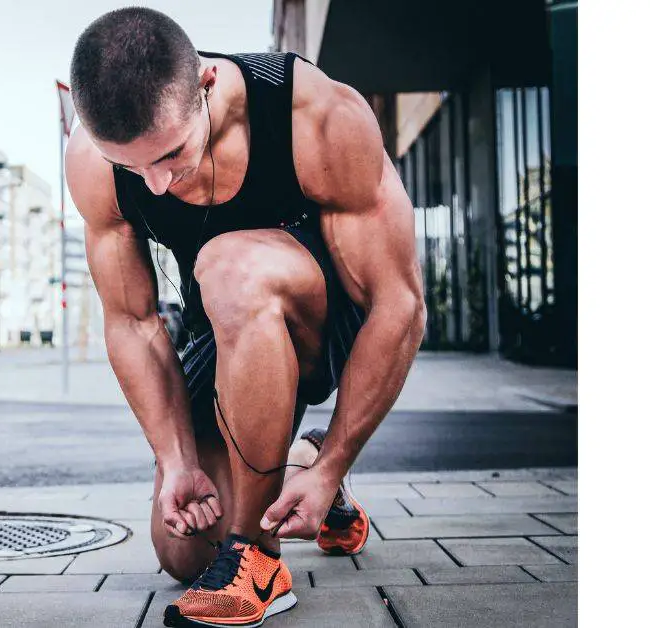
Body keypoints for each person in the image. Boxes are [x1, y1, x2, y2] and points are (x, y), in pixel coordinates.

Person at [65, 7, 426, 627]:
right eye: (132, 167)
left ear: (206, 85)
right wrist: (175, 459)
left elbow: (400, 304)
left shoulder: (313, 113)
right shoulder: (93, 159)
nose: (153, 185)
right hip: (225, 329)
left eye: (171, 153)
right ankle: (300, 470)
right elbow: (133, 321)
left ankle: (257, 561)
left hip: (325, 319)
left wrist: (343, 454)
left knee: (230, 264)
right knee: (182, 549)